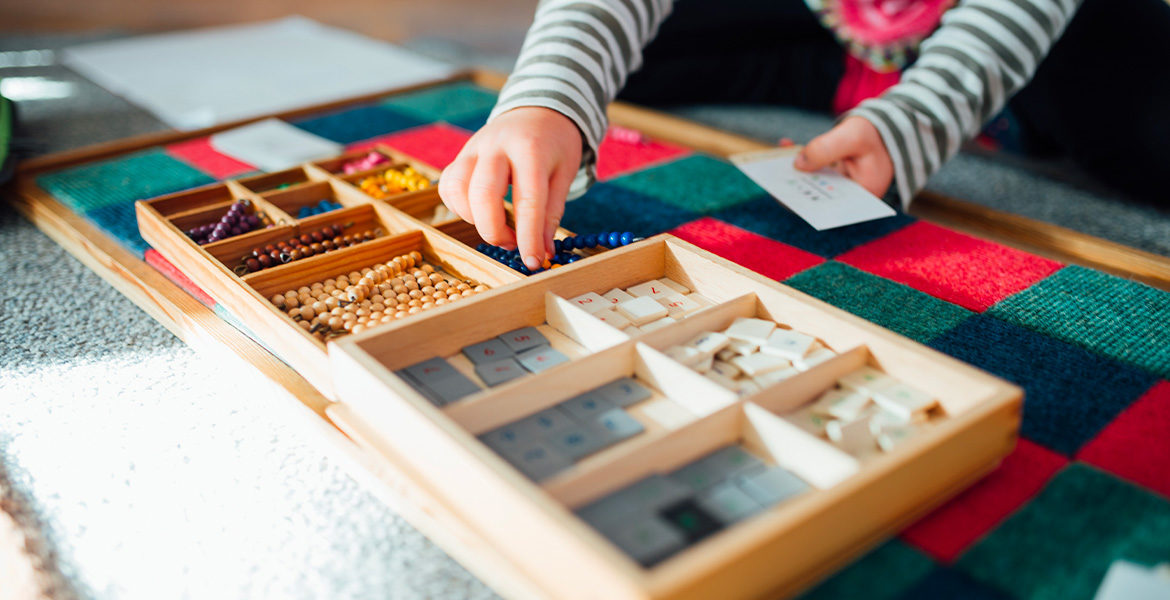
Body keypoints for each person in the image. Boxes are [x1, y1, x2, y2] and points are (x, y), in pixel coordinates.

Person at [438, 0, 1170, 272]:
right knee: (623, 58)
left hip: (1010, 22)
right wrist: (546, 100)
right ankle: (856, 68)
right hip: (816, 15)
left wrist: (922, 115)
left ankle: (939, 84)